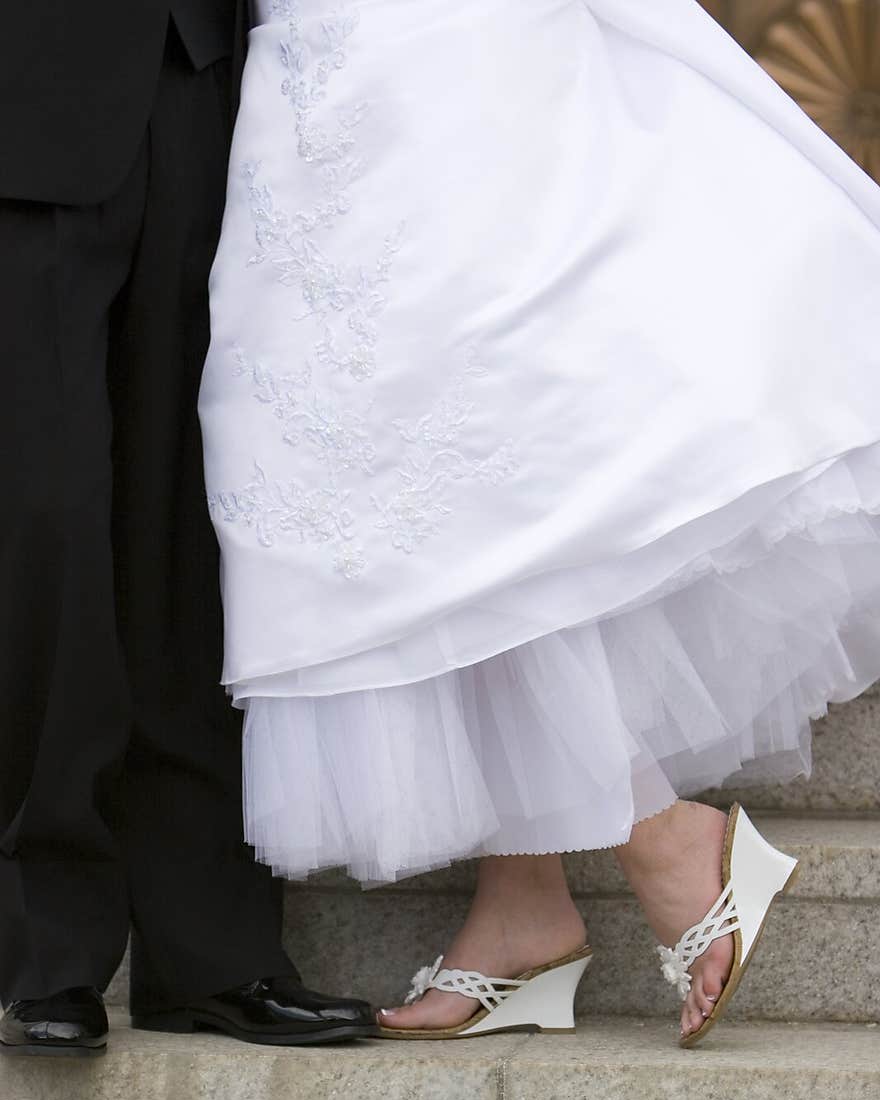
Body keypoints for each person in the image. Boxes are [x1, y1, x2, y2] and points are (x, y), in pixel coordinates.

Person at [200, 0, 880, 1046]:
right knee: (380, 441)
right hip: (312, 40)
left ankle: (656, 832)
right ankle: (523, 902)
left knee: (461, 419)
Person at [0, 1, 376, 1057]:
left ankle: (211, 954)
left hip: (204, 75)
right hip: (26, 81)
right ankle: (48, 948)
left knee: (196, 523)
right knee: (50, 517)